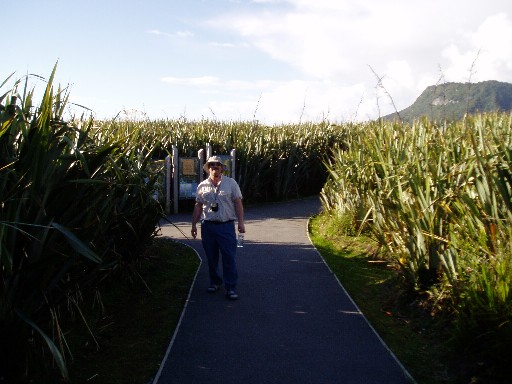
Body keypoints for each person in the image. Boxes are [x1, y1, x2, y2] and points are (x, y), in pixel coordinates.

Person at [191, 156, 245, 300]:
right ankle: (215, 282)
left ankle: (231, 287)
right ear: (208, 168)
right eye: (212, 165)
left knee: (229, 257)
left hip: (226, 226)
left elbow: (238, 204)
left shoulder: (231, 183)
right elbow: (198, 206)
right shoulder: (202, 186)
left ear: (222, 167)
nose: (215, 167)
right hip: (208, 226)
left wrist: (241, 223)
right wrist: (194, 224)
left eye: (217, 165)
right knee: (211, 257)